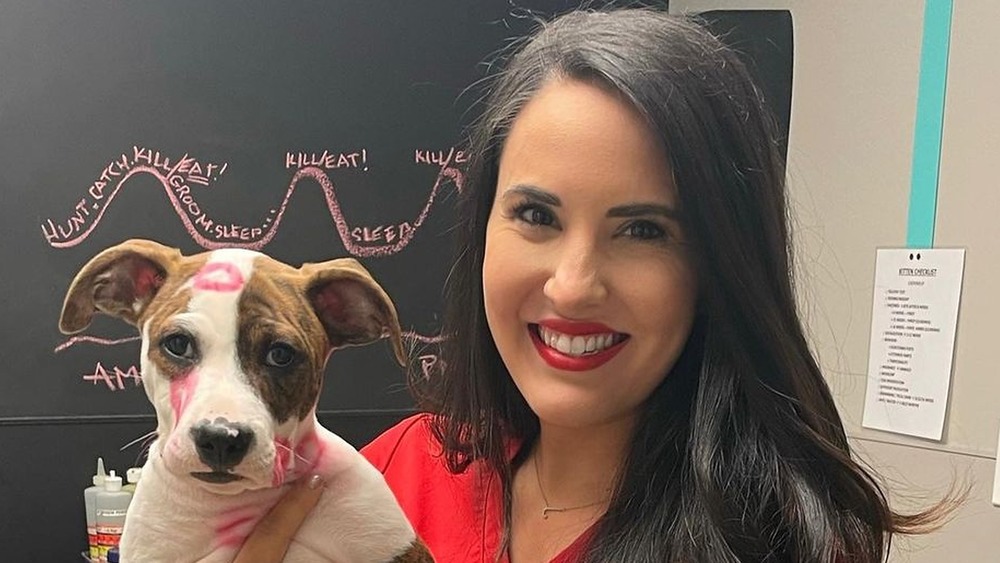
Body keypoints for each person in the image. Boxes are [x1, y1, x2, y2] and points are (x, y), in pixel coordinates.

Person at [238, 8, 955, 563]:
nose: (574, 286)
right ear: (483, 228)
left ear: (719, 264)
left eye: (643, 230)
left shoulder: (779, 541)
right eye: (536, 215)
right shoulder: (399, 471)